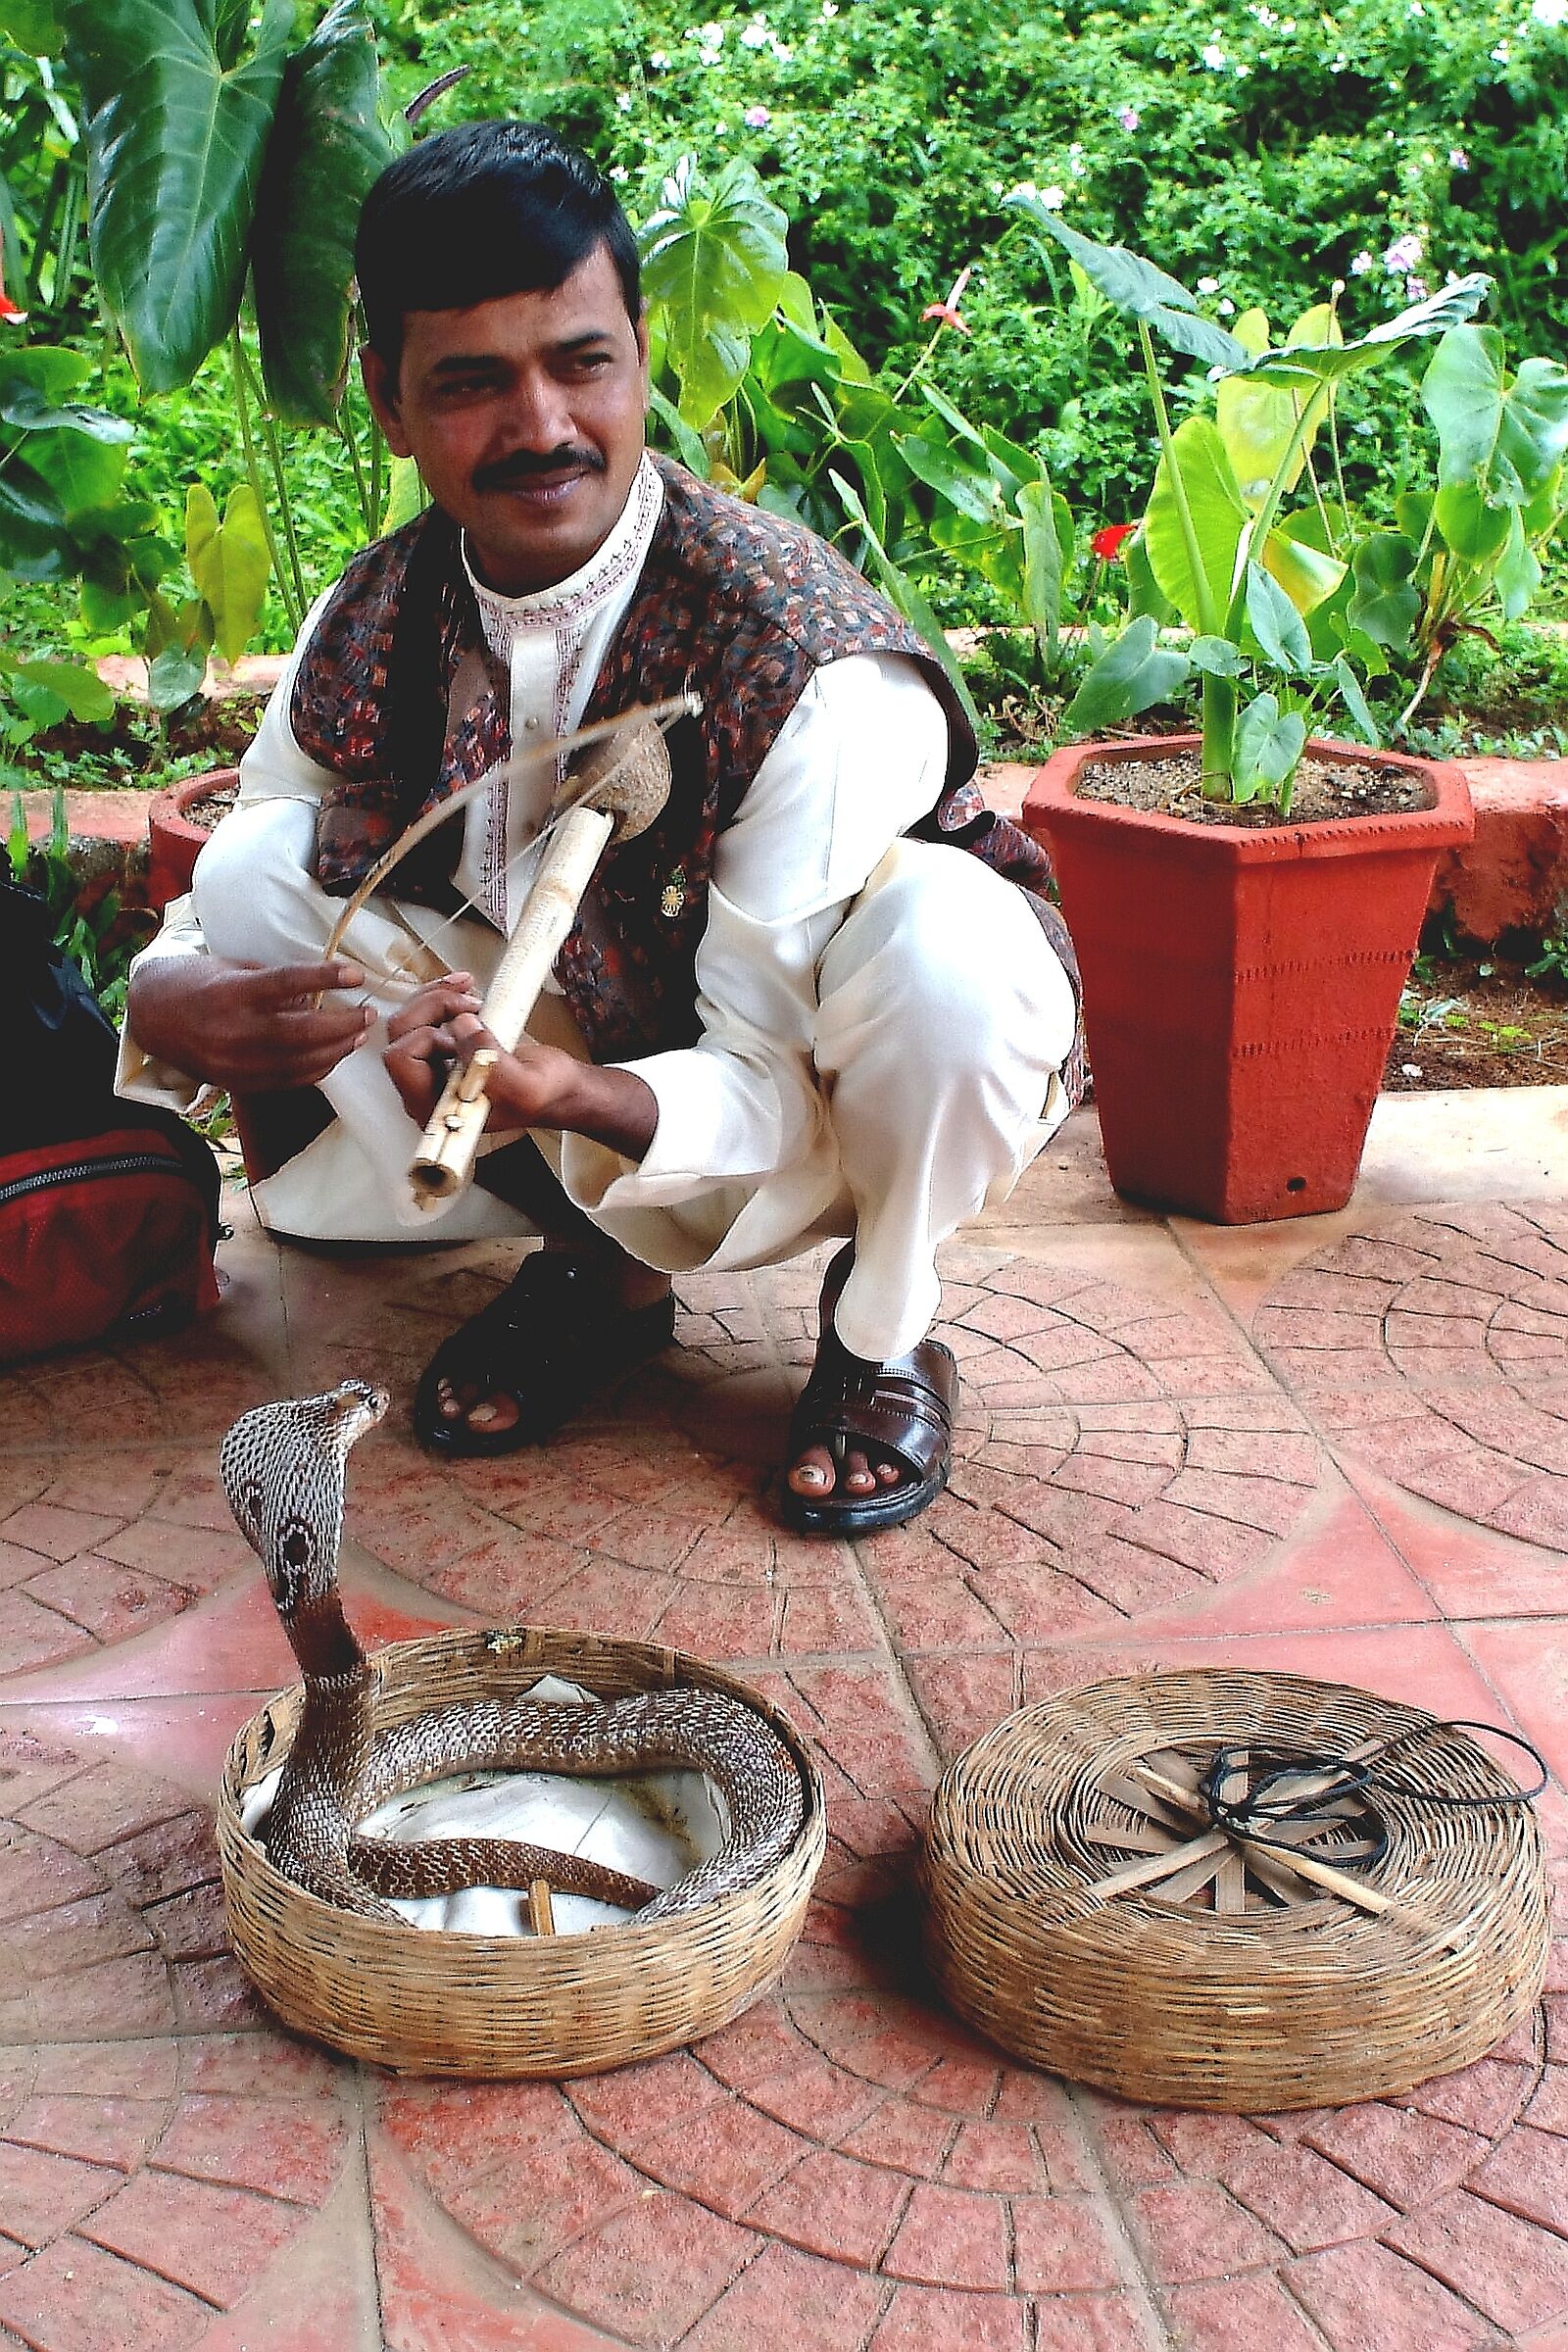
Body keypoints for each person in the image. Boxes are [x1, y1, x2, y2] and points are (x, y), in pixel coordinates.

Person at [119, 120, 1081, 1535]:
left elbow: (759, 1071)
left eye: (580, 362)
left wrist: (568, 1098)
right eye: (470, 384)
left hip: (817, 1085)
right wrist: (173, 996)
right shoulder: (386, 607)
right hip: (568, 1042)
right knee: (268, 874)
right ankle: (605, 1274)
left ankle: (882, 1332)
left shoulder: (805, 658)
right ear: (388, 401)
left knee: (950, 954)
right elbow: (252, 846)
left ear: (637, 352)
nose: (543, 429)